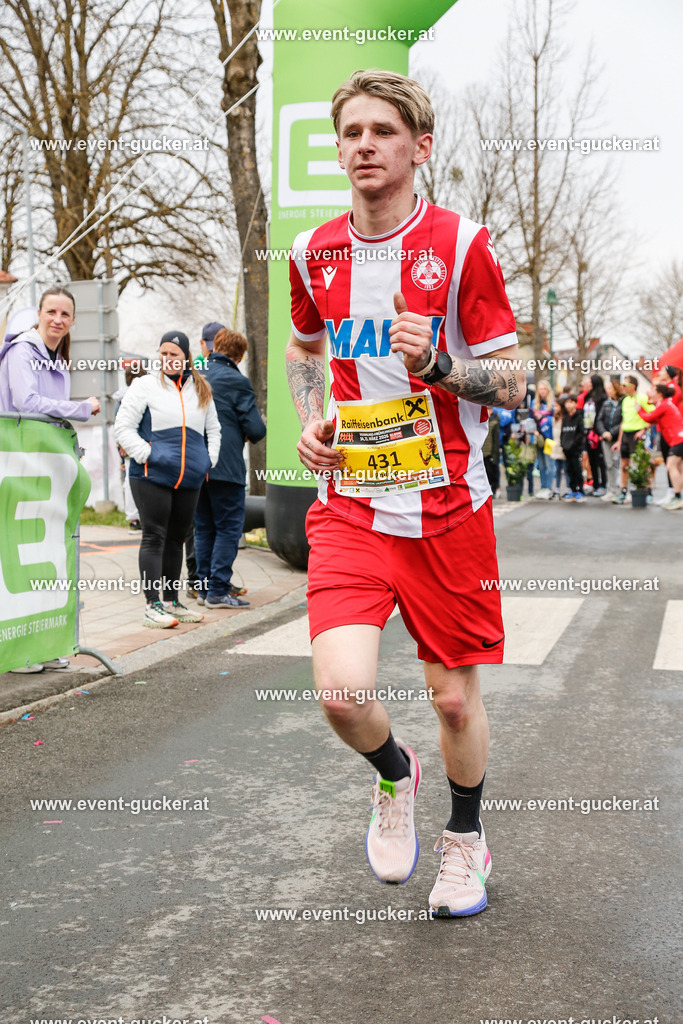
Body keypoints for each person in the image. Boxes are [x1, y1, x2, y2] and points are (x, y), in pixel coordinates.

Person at [286, 69, 526, 917]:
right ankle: (395, 775)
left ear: (419, 148)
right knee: (342, 691)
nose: (362, 146)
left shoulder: (461, 245)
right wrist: (310, 420)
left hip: (447, 508)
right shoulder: (311, 252)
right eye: (350, 132)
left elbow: (514, 381)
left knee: (453, 696)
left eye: (381, 132)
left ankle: (464, 841)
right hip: (352, 501)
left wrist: (438, 367)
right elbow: (304, 350)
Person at [0, 286, 101, 674]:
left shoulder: (55, 358)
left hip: (41, 467)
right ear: (38, 313)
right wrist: (80, 408)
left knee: (43, 558)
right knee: (17, 556)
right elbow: (27, 404)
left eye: (65, 314)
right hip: (18, 466)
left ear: (73, 321)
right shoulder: (23, 352)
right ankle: (18, 652)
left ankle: (42, 645)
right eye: (51, 312)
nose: (57, 319)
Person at [114, 331, 221, 628]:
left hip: (189, 477)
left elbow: (214, 430)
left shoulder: (201, 389)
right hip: (150, 476)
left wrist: (207, 461)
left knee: (177, 539)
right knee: (154, 536)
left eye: (174, 354)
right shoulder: (144, 385)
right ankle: (152, 605)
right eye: (163, 353)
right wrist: (147, 455)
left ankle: (172, 602)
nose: (167, 359)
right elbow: (123, 427)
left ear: (185, 357)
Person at [193, 328, 266, 608]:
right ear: (239, 355)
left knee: (203, 528)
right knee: (228, 528)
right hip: (226, 466)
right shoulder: (237, 381)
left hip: (198, 464)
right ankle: (218, 591)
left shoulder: (195, 376)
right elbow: (256, 428)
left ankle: (202, 590)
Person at [636, 384, 683, 509]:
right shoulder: (664, 404)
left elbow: (649, 417)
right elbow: (654, 418)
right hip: (678, 438)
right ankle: (677, 496)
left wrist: (639, 409)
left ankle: (678, 497)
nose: (650, 392)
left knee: (671, 465)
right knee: (677, 467)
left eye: (653, 390)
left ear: (659, 394)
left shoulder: (663, 405)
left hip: (678, 439)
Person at [611, 375, 653, 504]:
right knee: (624, 465)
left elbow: (653, 416)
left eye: (625, 385)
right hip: (626, 435)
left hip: (637, 434)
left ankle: (647, 492)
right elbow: (624, 421)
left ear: (632, 386)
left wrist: (643, 430)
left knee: (641, 465)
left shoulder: (642, 398)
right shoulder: (624, 400)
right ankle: (624, 492)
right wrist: (619, 440)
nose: (622, 387)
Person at [595, 378, 622, 500]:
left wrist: (612, 433)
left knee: (620, 464)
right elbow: (599, 420)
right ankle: (611, 489)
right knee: (609, 464)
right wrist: (604, 432)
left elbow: (624, 420)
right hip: (606, 439)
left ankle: (621, 489)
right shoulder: (606, 403)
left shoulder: (623, 403)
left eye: (610, 389)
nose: (608, 391)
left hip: (619, 439)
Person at [583, 374, 608, 496]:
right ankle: (595, 483)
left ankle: (603, 485)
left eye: (589, 382)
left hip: (597, 432)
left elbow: (602, 416)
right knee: (591, 460)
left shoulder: (602, 398)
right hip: (587, 431)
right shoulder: (587, 397)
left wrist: (599, 431)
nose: (587, 384)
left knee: (600, 460)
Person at [560, 394, 585, 501]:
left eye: (571, 402)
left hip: (575, 449)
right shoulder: (565, 418)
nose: (569, 405)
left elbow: (580, 433)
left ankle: (580, 490)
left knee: (577, 470)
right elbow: (563, 433)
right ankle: (573, 490)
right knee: (569, 470)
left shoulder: (579, 416)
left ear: (575, 403)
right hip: (566, 449)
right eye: (567, 402)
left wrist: (573, 444)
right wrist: (563, 444)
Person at [532, 378, 554, 497]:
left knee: (549, 464)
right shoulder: (535, 403)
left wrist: (544, 418)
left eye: (544, 389)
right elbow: (531, 419)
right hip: (538, 437)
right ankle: (543, 487)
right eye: (540, 389)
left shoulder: (552, 403)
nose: (542, 391)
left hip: (549, 438)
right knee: (541, 465)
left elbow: (557, 419)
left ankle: (549, 488)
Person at [550, 397, 569, 497]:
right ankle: (556, 489)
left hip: (563, 446)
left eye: (556, 406)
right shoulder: (555, 417)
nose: (554, 407)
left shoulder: (565, 418)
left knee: (566, 469)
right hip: (556, 445)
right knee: (557, 469)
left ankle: (567, 489)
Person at [482, 406, 500, 495]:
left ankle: (495, 488)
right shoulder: (481, 421)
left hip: (490, 452)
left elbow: (496, 440)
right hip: (482, 452)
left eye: (488, 409)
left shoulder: (494, 422)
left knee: (492, 472)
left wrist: (495, 455)